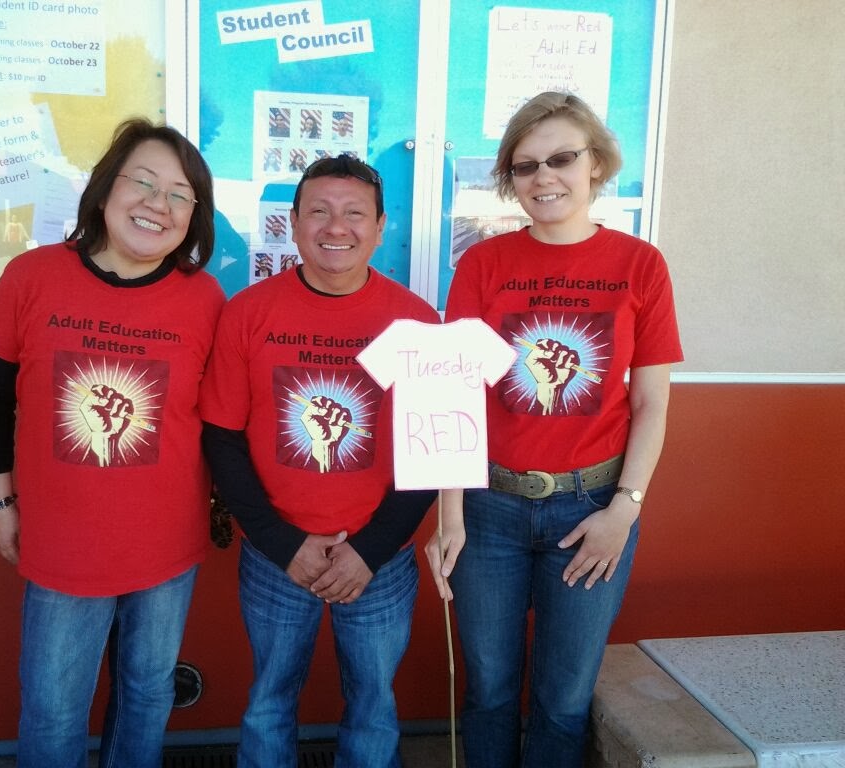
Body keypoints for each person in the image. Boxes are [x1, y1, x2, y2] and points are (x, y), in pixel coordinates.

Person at [424, 92, 683, 767]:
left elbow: (650, 403)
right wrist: (450, 517)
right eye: (525, 165)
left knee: (564, 700)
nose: (544, 177)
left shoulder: (640, 265)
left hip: (591, 510)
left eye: (561, 158)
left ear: (595, 164)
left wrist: (623, 511)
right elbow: (454, 391)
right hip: (489, 510)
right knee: (489, 692)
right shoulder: (484, 265)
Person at [0, 119, 224, 768]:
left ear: (193, 217)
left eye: (179, 194)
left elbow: (221, 419)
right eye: (143, 182)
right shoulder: (32, 276)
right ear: (105, 189)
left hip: (166, 546)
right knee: (53, 709)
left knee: (146, 698)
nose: (157, 204)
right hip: (64, 547)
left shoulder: (205, 299)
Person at [200, 154, 440, 768]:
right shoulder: (248, 312)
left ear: (381, 227)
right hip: (275, 555)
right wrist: (283, 543)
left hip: (379, 560)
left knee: (373, 706)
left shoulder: (417, 322)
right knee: (269, 702)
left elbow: (431, 451)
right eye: (319, 212)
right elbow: (222, 438)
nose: (337, 227)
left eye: (355, 213)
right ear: (293, 223)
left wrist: (370, 550)